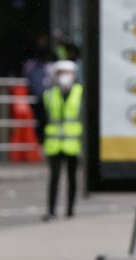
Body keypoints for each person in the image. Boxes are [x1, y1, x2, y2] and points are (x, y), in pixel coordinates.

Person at [41, 60, 82, 221]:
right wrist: (41, 141)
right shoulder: (49, 94)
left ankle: (70, 210)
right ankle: (51, 210)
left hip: (73, 143)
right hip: (54, 144)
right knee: (54, 178)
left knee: (72, 178)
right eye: (61, 73)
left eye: (67, 73)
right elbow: (43, 119)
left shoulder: (80, 92)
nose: (64, 76)